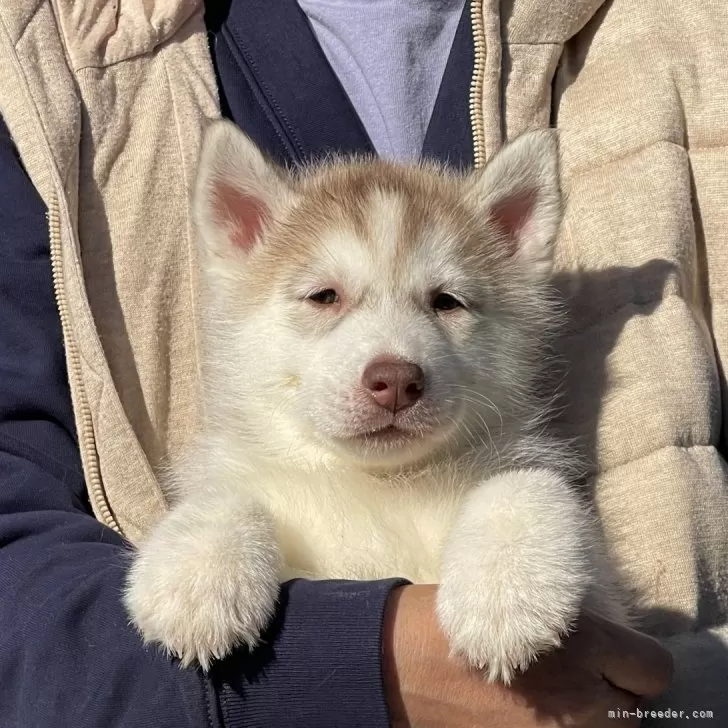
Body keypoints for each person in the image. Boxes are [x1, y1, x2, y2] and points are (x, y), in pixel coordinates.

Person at [0, 1, 724, 726]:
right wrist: (334, 643)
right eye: (323, 296)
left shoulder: (678, 27)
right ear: (238, 235)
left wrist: (522, 511)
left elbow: (579, 610)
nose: (394, 366)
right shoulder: (49, 52)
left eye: (445, 302)